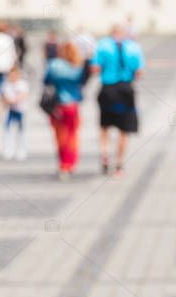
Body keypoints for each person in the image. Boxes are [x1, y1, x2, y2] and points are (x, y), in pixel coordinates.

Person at [91, 23, 144, 177]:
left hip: (107, 89)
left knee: (105, 127)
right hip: (125, 89)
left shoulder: (102, 45)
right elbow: (139, 72)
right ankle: (119, 164)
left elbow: (95, 69)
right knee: (124, 130)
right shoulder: (134, 47)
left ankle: (105, 153)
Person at [43, 40, 89, 180]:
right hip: (72, 105)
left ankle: (62, 163)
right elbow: (82, 82)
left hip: (56, 105)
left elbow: (46, 81)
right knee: (72, 136)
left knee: (59, 137)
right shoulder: (77, 66)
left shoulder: (54, 65)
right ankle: (69, 164)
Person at [0, 64, 29, 160]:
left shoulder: (22, 84)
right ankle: (8, 149)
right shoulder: (6, 84)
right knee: (8, 129)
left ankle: (21, 149)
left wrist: (14, 100)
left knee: (21, 130)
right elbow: (3, 97)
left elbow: (23, 95)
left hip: (20, 109)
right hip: (10, 110)